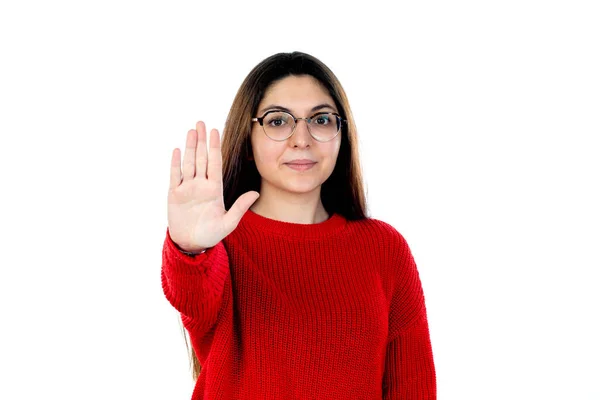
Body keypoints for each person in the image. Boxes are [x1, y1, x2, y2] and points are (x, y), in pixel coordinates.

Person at [161, 51, 436, 399]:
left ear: (341, 134)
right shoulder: (219, 241)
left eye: (321, 120)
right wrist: (190, 249)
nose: (301, 139)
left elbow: (413, 388)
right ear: (248, 140)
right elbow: (193, 296)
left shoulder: (384, 248)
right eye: (278, 121)